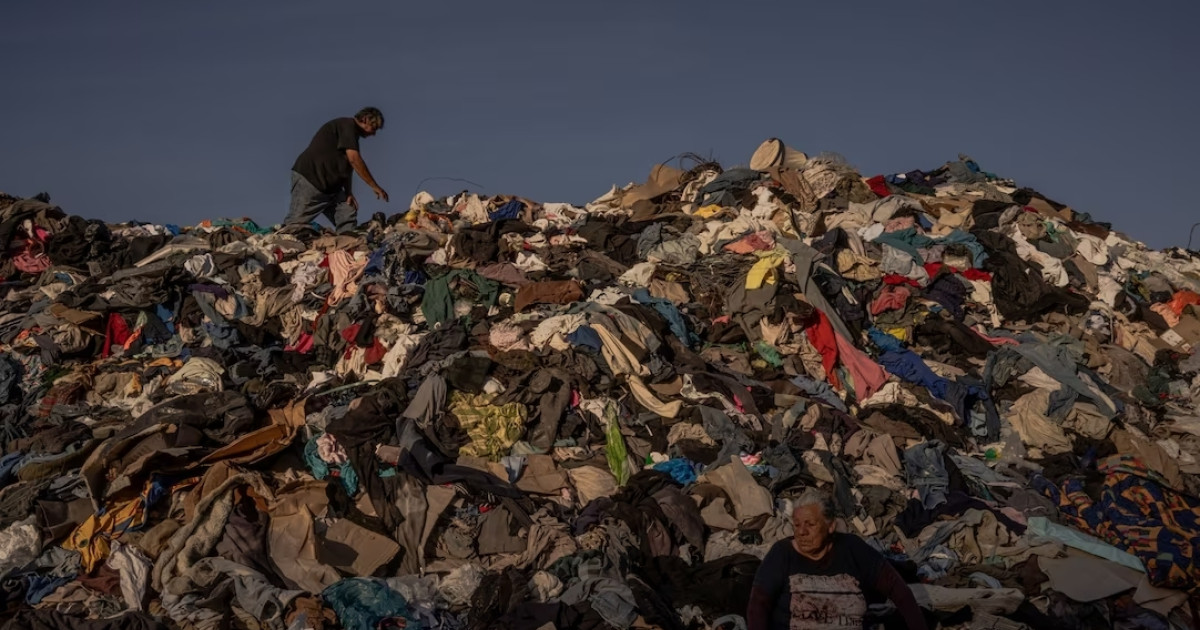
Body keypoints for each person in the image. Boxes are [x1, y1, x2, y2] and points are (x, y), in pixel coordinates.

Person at [746, 489, 927, 630]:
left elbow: (898, 590)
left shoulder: (853, 548)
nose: (801, 532)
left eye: (810, 524)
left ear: (831, 526)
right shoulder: (782, 554)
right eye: (797, 525)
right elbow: (758, 605)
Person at [285, 107, 389, 233]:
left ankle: (348, 240)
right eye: (374, 128)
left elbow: (348, 166)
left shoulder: (352, 136)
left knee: (347, 212)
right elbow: (354, 160)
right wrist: (374, 186)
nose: (374, 134)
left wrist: (349, 192)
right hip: (311, 180)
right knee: (294, 226)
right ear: (365, 119)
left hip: (332, 190)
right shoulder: (347, 126)